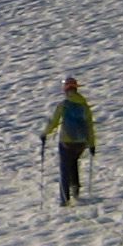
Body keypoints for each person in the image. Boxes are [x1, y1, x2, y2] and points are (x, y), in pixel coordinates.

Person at [39, 76, 97, 204]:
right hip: (81, 142)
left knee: (65, 168)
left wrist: (44, 134)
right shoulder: (84, 105)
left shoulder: (63, 105)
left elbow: (53, 122)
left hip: (66, 141)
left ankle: (64, 199)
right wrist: (92, 144)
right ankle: (75, 189)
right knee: (74, 162)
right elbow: (89, 125)